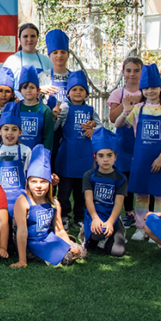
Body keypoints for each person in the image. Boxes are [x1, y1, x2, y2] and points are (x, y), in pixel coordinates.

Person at [114, 63, 161, 242]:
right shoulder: (138, 109)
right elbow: (119, 124)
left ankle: (157, 229)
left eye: (153, 87)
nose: (150, 91)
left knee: (160, 195)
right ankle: (141, 227)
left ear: (160, 88)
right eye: (146, 88)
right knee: (142, 194)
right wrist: (125, 110)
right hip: (141, 160)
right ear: (142, 89)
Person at [10, 146, 85, 268]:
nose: (38, 186)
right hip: (29, 242)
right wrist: (22, 260)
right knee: (67, 258)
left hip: (47, 238)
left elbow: (59, 230)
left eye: (43, 182)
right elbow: (22, 231)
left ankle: (70, 243)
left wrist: (71, 248)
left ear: (50, 184)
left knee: (79, 252)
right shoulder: (23, 201)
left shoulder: (54, 203)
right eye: (34, 181)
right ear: (28, 183)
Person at [54, 70, 100, 228]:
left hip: (85, 156)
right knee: (64, 191)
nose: (78, 92)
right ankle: (64, 216)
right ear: (68, 92)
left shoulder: (91, 111)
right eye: (74, 89)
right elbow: (54, 127)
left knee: (82, 191)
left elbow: (100, 129)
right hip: (67, 154)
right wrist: (55, 116)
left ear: (86, 93)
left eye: (81, 89)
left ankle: (80, 216)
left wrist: (94, 129)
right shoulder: (65, 108)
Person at [107, 57, 143, 227]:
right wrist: (124, 104)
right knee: (125, 178)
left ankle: (144, 212)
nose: (132, 74)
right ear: (123, 73)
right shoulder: (117, 93)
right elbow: (113, 118)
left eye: (136, 70)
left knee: (141, 176)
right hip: (123, 142)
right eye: (128, 70)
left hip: (141, 141)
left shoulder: (147, 92)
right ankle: (128, 213)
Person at [81, 128, 127, 257]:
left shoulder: (120, 178)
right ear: (95, 157)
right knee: (97, 233)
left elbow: (118, 203)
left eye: (109, 155)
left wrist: (111, 222)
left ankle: (110, 237)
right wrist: (95, 218)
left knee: (118, 252)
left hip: (112, 216)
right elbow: (88, 199)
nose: (105, 159)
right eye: (101, 156)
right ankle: (91, 238)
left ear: (115, 157)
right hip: (94, 214)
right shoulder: (88, 175)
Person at [0, 102, 31, 218]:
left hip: (20, 198)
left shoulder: (26, 151)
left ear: (20, 132)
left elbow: (29, 175)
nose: (9, 132)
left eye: (14, 129)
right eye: (6, 129)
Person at [16, 66, 54, 151]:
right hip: (19, 153)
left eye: (32, 87)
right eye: (25, 88)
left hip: (38, 155)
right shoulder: (15, 108)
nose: (28, 90)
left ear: (38, 90)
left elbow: (48, 136)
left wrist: (45, 155)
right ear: (19, 91)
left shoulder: (45, 110)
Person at [39, 29, 71, 107]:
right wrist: (39, 89)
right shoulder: (42, 77)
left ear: (68, 55)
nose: (59, 55)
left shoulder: (74, 76)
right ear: (49, 56)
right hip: (49, 118)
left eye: (63, 52)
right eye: (55, 53)